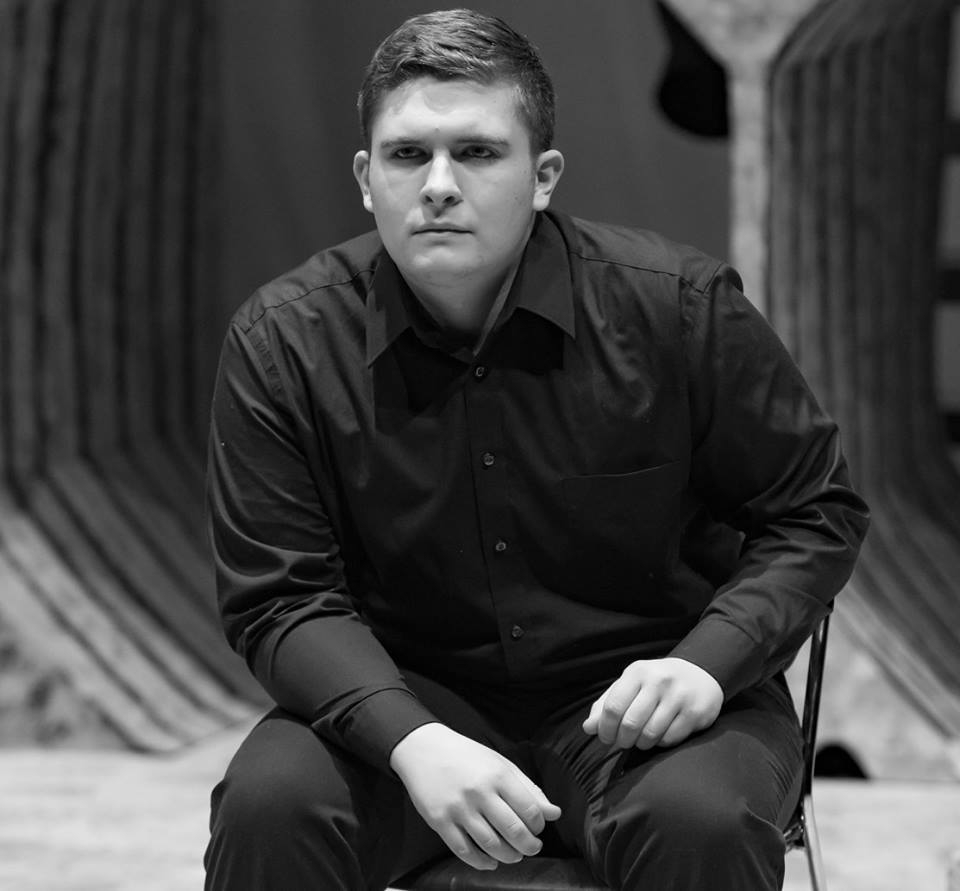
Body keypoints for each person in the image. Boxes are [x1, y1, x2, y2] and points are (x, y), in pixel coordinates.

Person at [203, 9, 869, 890]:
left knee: (698, 821)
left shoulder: (679, 308)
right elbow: (281, 595)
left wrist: (709, 662)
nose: (439, 185)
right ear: (367, 179)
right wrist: (411, 737)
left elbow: (814, 513)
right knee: (271, 806)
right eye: (408, 155)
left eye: (478, 153)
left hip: (648, 701)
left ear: (543, 175)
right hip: (410, 695)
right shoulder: (282, 341)